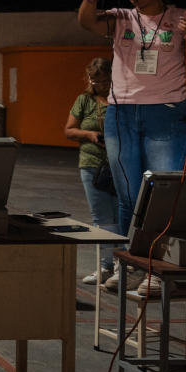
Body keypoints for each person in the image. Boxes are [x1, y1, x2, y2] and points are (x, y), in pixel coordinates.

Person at [79, 0, 186, 297]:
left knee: (161, 198)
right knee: (127, 196)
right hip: (122, 115)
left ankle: (157, 270)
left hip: (166, 114)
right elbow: (87, 22)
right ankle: (128, 264)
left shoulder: (183, 19)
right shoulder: (121, 18)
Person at [65, 58, 120, 285]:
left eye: (106, 81)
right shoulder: (84, 100)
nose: (102, 86)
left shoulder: (122, 100)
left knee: (121, 215)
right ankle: (106, 266)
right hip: (91, 164)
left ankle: (122, 264)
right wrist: (89, 135)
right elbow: (69, 130)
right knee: (102, 217)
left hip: (120, 164)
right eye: (97, 81)